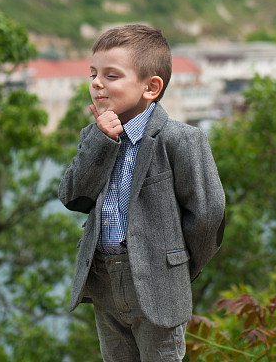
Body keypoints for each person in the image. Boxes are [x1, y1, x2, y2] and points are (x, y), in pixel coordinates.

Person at [59, 24, 226, 362]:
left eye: (111, 75)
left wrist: (178, 264)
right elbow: (73, 196)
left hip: (158, 283)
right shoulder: (94, 135)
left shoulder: (180, 140)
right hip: (105, 277)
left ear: (151, 87)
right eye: (93, 74)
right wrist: (99, 142)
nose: (96, 83)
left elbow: (208, 214)